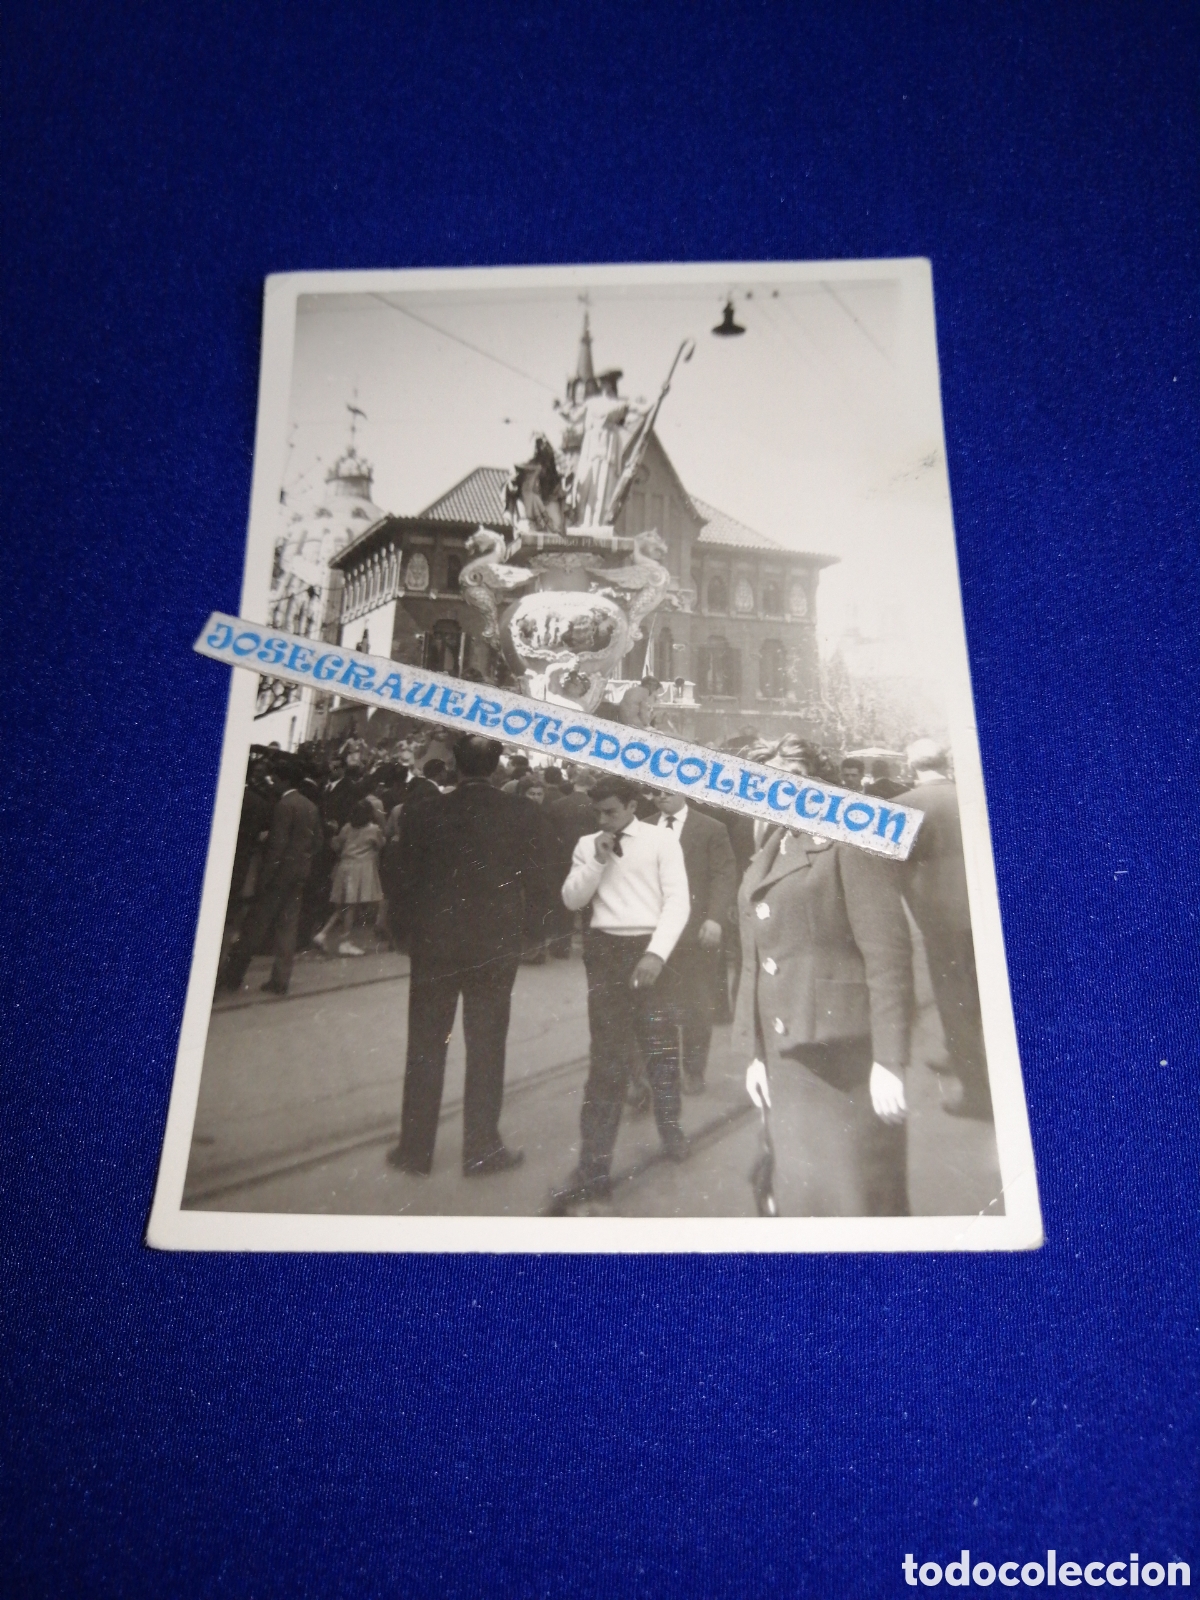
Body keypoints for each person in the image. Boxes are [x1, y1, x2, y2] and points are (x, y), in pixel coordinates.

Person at [737, 738, 914, 1216]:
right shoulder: (774, 841)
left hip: (845, 1060)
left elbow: (887, 955)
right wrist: (755, 1054)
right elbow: (756, 952)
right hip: (787, 1058)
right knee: (800, 1197)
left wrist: (890, 1061)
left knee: (856, 1200)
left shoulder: (851, 839)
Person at [389, 734, 546, 1178]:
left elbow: (403, 877)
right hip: (493, 947)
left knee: (425, 1046)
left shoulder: (423, 812)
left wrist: (405, 932)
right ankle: (481, 1149)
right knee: (486, 1047)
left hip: (434, 946)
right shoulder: (522, 813)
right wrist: (533, 934)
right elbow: (539, 880)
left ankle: (414, 1150)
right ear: (496, 767)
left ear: (455, 765)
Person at [555, 774, 691, 1204]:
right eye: (598, 813)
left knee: (662, 1050)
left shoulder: (661, 841)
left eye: (611, 811)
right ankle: (594, 1167)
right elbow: (572, 901)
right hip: (606, 952)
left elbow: (678, 901)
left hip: (650, 948)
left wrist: (657, 954)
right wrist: (595, 861)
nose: (604, 820)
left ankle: (671, 1129)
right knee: (607, 1061)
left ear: (632, 806)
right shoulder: (587, 844)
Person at [893, 739, 991, 1120]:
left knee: (954, 1002)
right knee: (983, 994)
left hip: (940, 920)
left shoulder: (904, 804)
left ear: (911, 766)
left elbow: (892, 869)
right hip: (982, 910)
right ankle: (965, 1058)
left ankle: (977, 1093)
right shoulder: (971, 797)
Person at [651, 790, 738, 1093]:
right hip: (653, 931)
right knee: (655, 1005)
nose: (659, 797)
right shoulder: (644, 826)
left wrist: (715, 918)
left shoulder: (711, 828)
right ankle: (663, 1072)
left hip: (697, 931)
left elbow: (725, 875)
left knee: (697, 1005)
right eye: (653, 791)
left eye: (665, 791)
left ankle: (694, 1069)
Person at [217, 759, 322, 996]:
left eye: (274, 779)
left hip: (278, 877)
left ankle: (233, 977)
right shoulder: (310, 806)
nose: (271, 783)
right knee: (288, 928)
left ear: (284, 780)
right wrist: (301, 862)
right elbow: (317, 843)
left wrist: (266, 876)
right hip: (298, 875)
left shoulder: (284, 806)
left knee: (255, 926)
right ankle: (280, 979)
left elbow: (277, 845)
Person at [313, 800, 384, 958]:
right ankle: (345, 941)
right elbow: (380, 845)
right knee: (351, 907)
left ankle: (323, 934)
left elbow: (337, 845)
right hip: (361, 870)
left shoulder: (346, 827)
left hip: (344, 868)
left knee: (343, 906)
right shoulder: (374, 830)